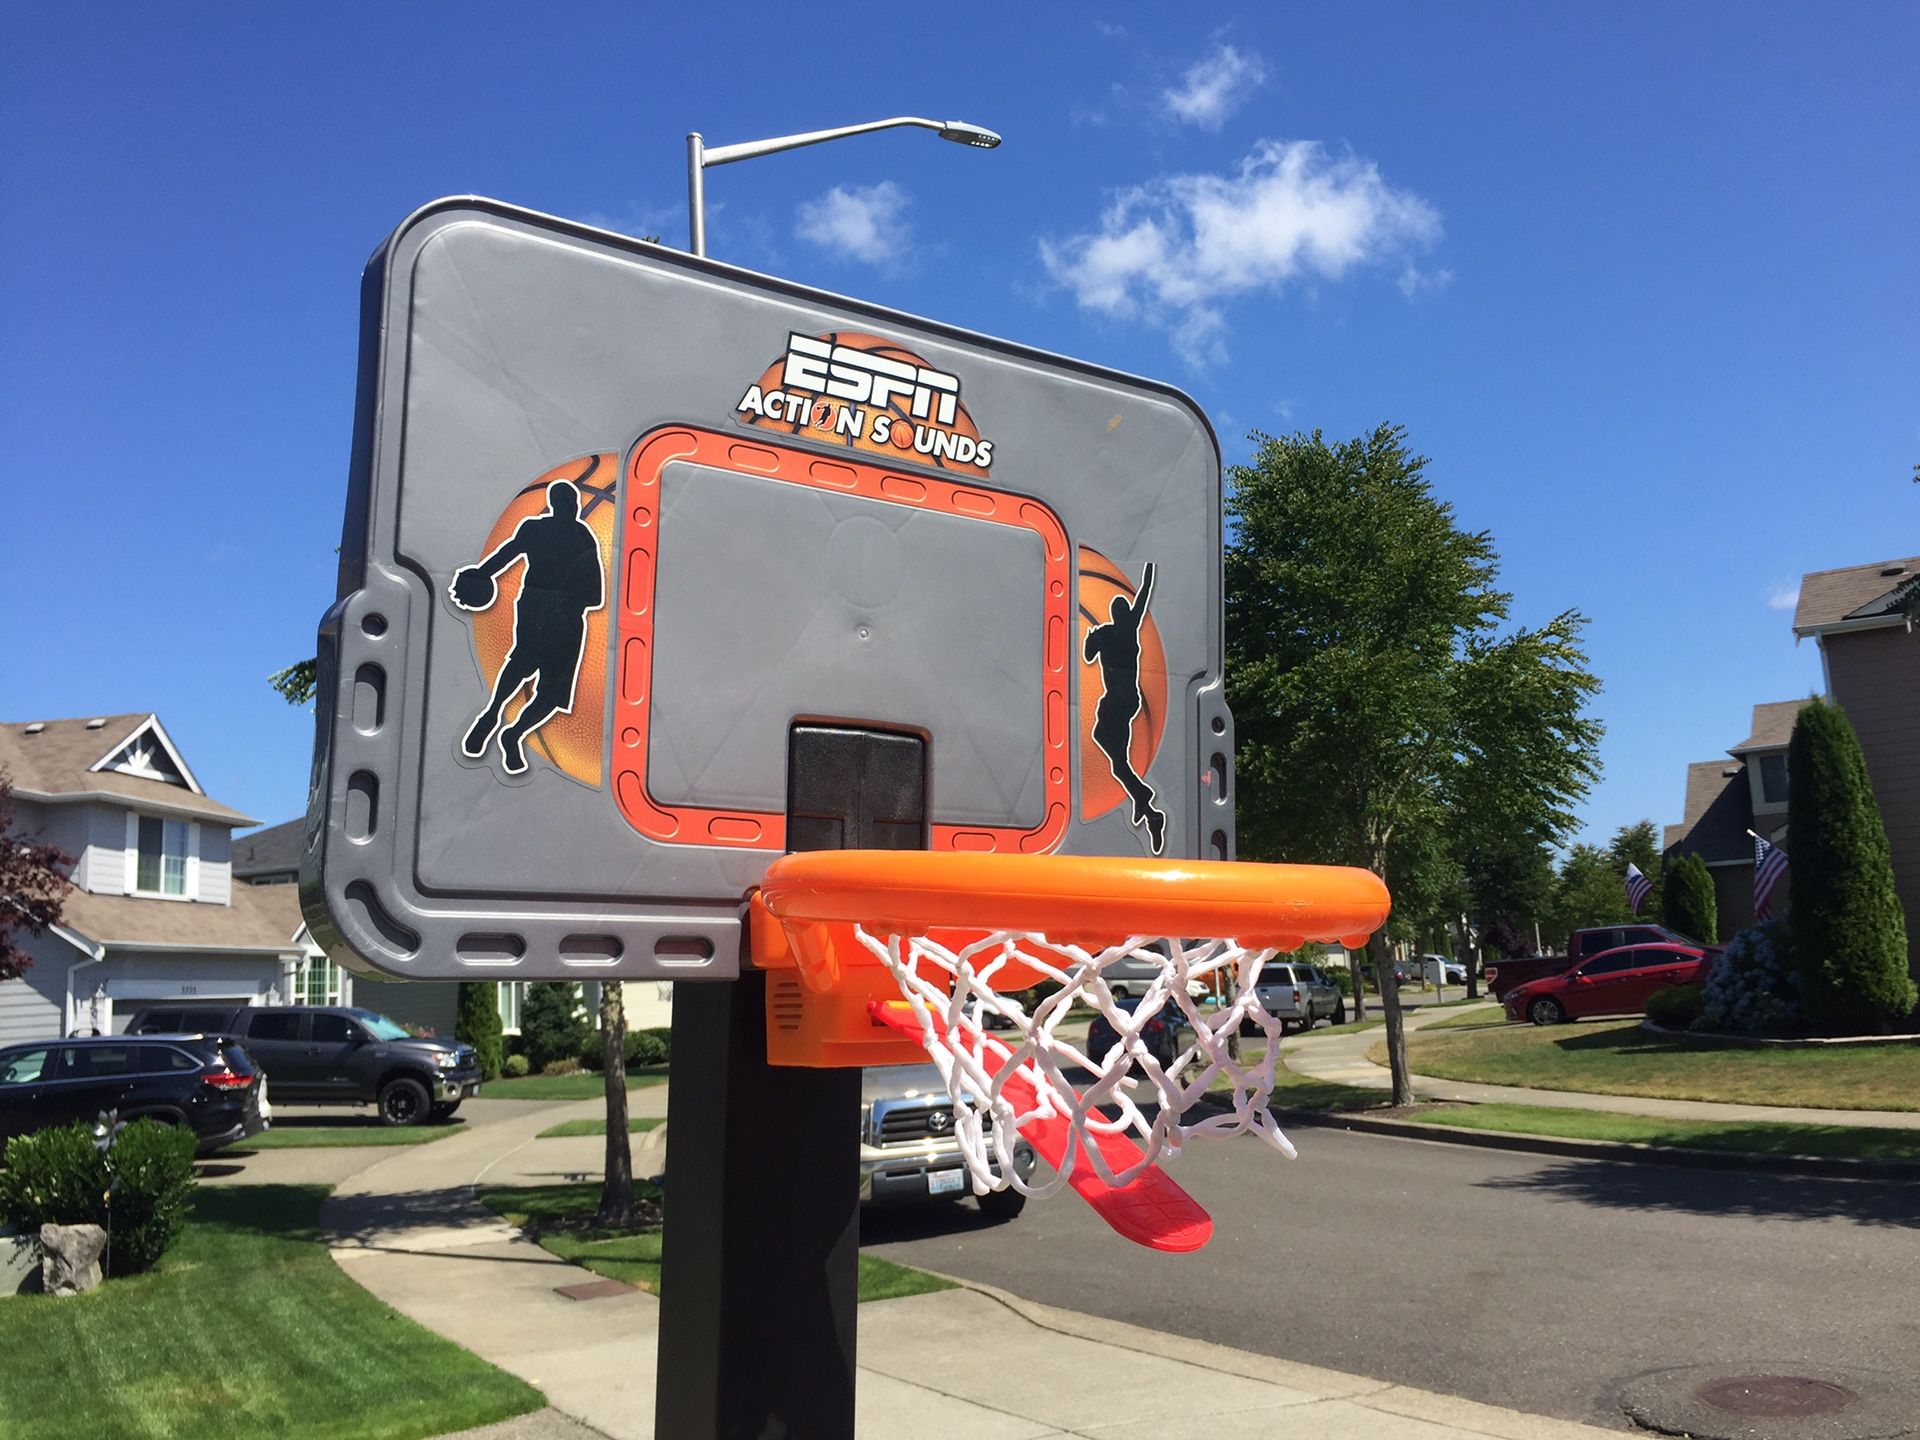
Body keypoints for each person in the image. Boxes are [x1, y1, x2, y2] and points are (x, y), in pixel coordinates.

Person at [449, 479, 605, 775]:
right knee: (543, 682)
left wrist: (481, 576)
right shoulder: (577, 535)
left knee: (530, 669)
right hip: (559, 611)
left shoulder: (544, 530)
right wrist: (479, 577)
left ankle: (501, 722)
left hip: (543, 606)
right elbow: (595, 597)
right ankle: (505, 724)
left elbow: (505, 556)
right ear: (569, 506)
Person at [1083, 561, 1166, 853]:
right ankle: (1145, 803)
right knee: (1118, 762)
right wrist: (1148, 576)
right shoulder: (1126, 630)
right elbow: (1141, 598)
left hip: (1119, 700)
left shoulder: (1110, 631)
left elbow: (1088, 654)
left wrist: (1091, 637)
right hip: (1128, 700)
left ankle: (1144, 799)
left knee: (1110, 749)